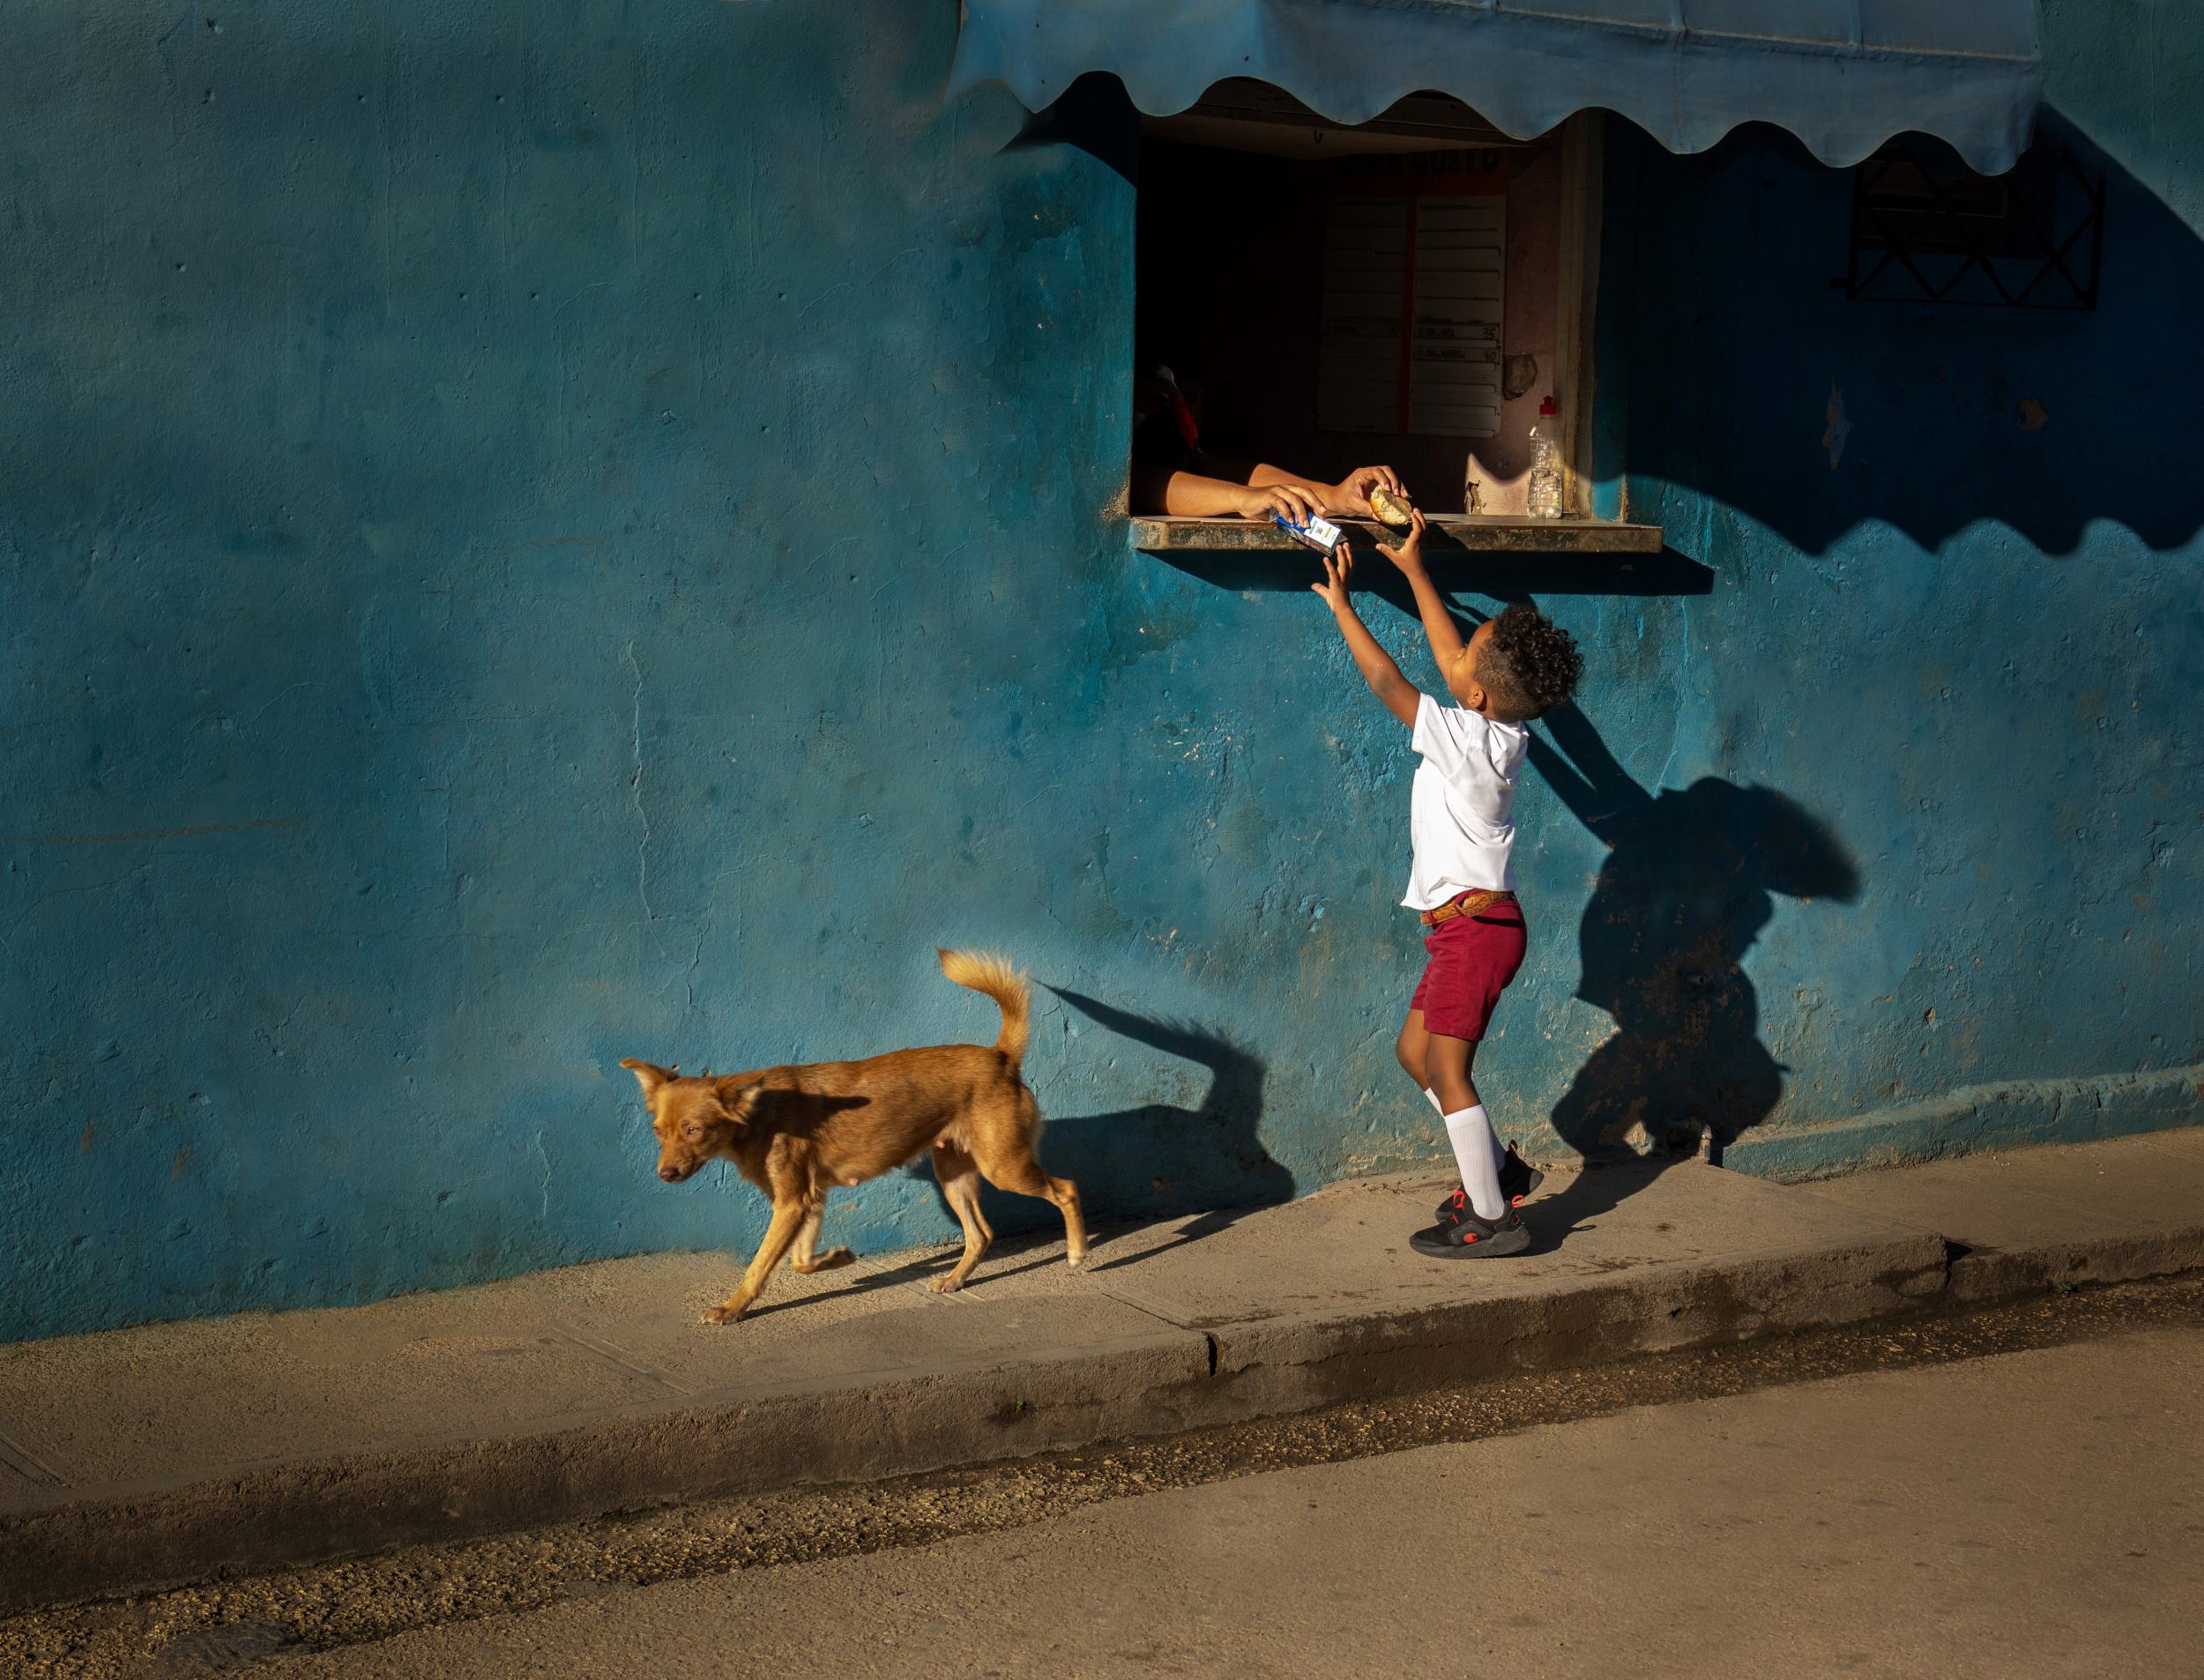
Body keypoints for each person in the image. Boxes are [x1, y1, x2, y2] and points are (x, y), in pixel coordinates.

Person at [1310, 509, 1583, 1256]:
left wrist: (1344, 608)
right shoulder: (1500, 733)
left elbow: (1386, 679)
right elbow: (1447, 656)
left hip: (1475, 931)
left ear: (1476, 697)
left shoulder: (1465, 739)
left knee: (1448, 1071)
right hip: (1467, 928)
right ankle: (1499, 1168)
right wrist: (1415, 570)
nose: (1454, 653)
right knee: (1414, 1055)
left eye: (1468, 654)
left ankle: (1494, 1218)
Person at [1129, 364, 1405, 524]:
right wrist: (1242, 498)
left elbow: (1198, 466)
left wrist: (1333, 496)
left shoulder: (1156, 376)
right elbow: (1128, 482)